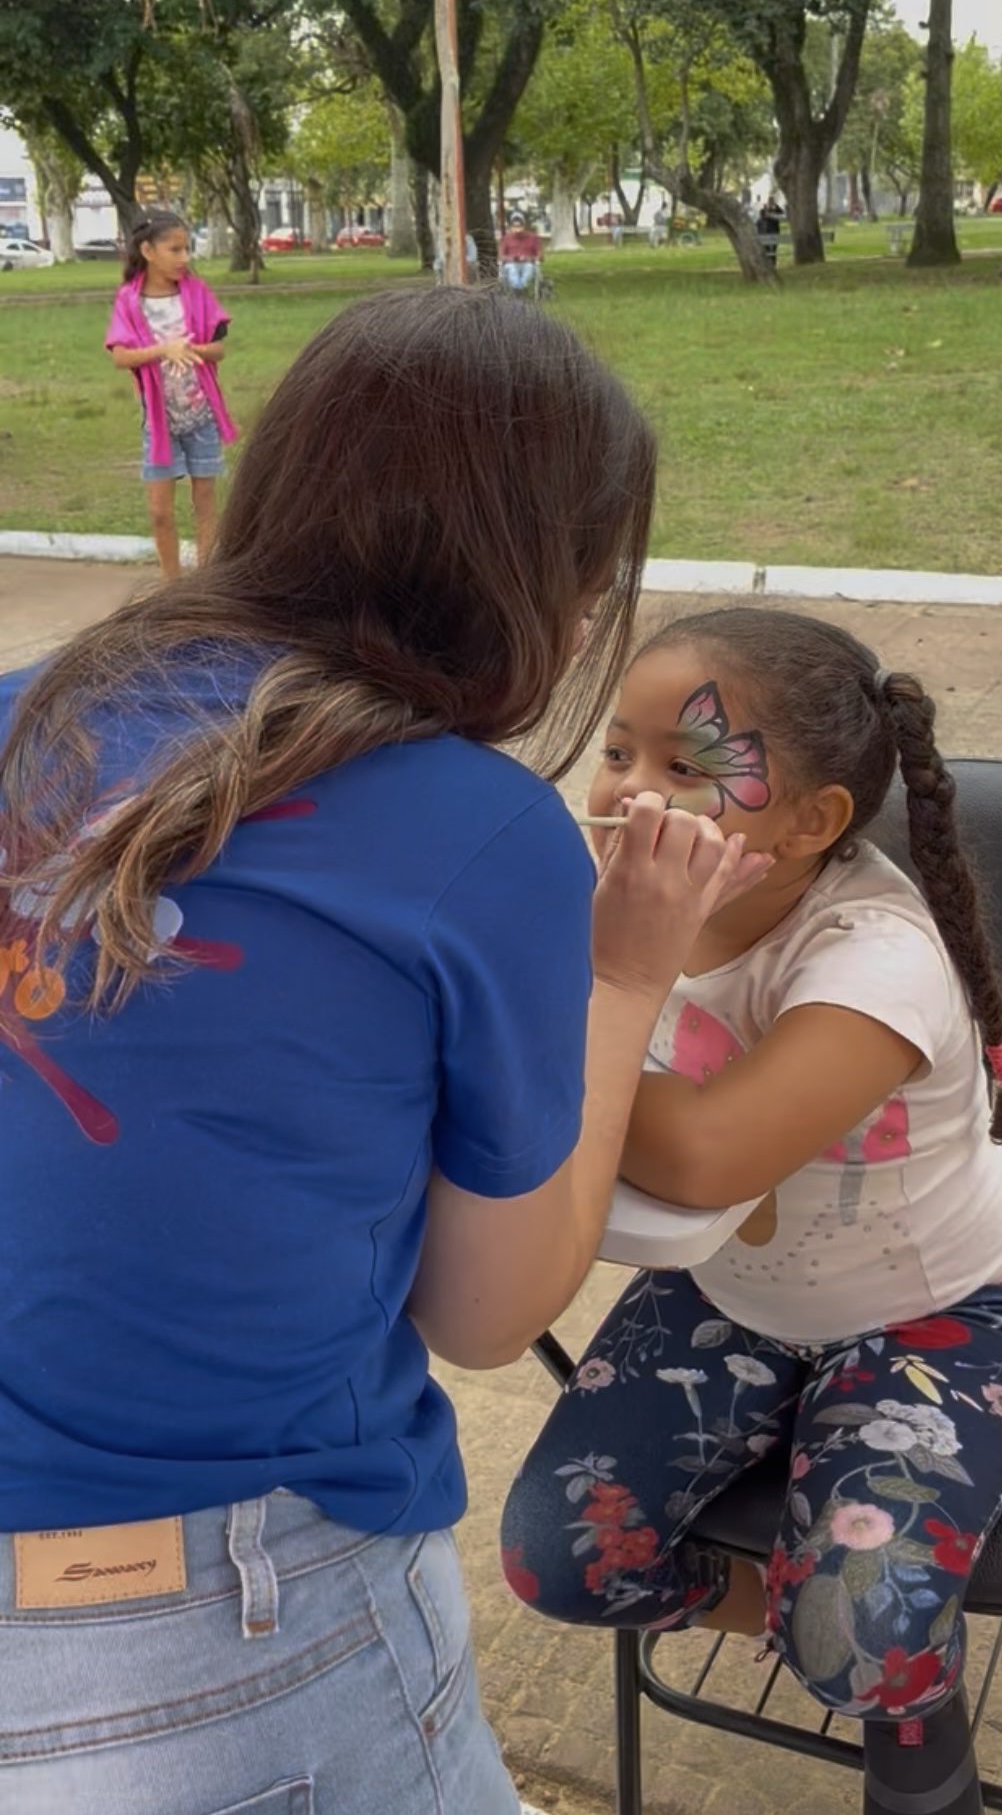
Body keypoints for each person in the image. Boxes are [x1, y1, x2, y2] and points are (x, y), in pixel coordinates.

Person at [0, 291, 768, 1815]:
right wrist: (627, 973)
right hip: (226, 1624)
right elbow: (486, 1311)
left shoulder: (28, 715)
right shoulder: (477, 832)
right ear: (533, 582)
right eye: (587, 589)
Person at [502, 608, 1002, 1815]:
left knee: (861, 1641)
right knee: (558, 1557)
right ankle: (804, 1621)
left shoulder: (876, 959)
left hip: (945, 1314)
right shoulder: (622, 900)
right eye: (619, 751)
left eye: (689, 765)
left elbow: (708, 1156)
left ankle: (898, 1695)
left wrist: (600, 1005)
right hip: (734, 1294)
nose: (631, 792)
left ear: (812, 822)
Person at [105, 209, 238, 581]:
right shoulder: (129, 300)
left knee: (205, 503)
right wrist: (164, 349)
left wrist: (192, 349)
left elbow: (218, 350)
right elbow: (120, 357)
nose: (184, 258)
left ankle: (206, 584)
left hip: (201, 417)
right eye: (175, 249)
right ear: (148, 251)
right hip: (160, 423)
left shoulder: (197, 293)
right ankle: (172, 586)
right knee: (160, 512)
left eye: (186, 249)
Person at [499, 211, 542, 291]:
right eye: (514, 226)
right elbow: (501, 256)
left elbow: (540, 255)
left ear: (524, 226)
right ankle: (519, 289)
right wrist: (511, 258)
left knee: (528, 267)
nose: (517, 229)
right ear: (511, 227)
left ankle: (520, 289)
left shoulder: (533, 238)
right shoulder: (506, 239)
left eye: (519, 226)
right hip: (511, 263)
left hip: (528, 263)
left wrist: (530, 258)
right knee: (511, 268)